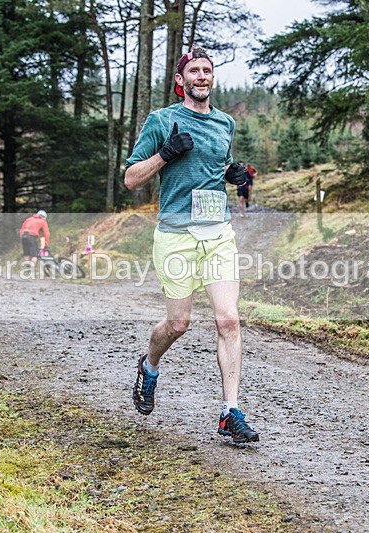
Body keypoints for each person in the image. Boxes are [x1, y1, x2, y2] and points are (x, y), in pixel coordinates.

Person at [124, 47, 259, 443]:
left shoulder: (225, 123)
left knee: (228, 319)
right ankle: (149, 366)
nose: (202, 76)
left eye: (208, 70)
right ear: (181, 81)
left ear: (212, 78)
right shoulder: (162, 120)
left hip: (217, 232)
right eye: (194, 71)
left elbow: (221, 165)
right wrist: (164, 155)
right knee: (178, 323)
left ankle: (229, 411)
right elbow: (131, 178)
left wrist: (235, 174)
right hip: (176, 234)